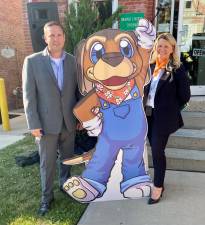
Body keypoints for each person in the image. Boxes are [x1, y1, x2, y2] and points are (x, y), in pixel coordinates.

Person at [22, 21, 78, 215]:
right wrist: (34, 124)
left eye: (59, 35)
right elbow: (29, 97)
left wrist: (79, 118)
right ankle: (47, 198)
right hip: (45, 125)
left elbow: (77, 92)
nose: (55, 39)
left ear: (64, 37)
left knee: (68, 159)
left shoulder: (72, 61)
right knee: (47, 163)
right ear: (45, 38)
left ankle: (65, 185)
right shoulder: (32, 61)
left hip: (69, 122)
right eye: (51, 35)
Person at [144, 33, 191, 204]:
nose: (162, 49)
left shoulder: (177, 69)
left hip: (163, 119)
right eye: (160, 45)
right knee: (153, 149)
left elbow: (185, 96)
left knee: (157, 151)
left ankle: (158, 187)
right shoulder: (150, 67)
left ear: (172, 49)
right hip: (147, 116)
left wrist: (170, 107)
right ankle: (155, 181)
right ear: (156, 47)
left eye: (166, 46)